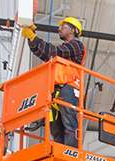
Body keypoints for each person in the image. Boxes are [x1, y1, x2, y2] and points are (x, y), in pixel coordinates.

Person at [21, 17, 86, 148]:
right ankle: (60, 153)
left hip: (69, 90)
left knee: (69, 126)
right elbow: (44, 53)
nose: (59, 29)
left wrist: (35, 38)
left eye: (64, 26)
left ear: (73, 30)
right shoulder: (64, 50)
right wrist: (32, 38)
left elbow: (53, 52)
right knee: (57, 130)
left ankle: (70, 154)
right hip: (57, 91)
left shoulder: (76, 45)